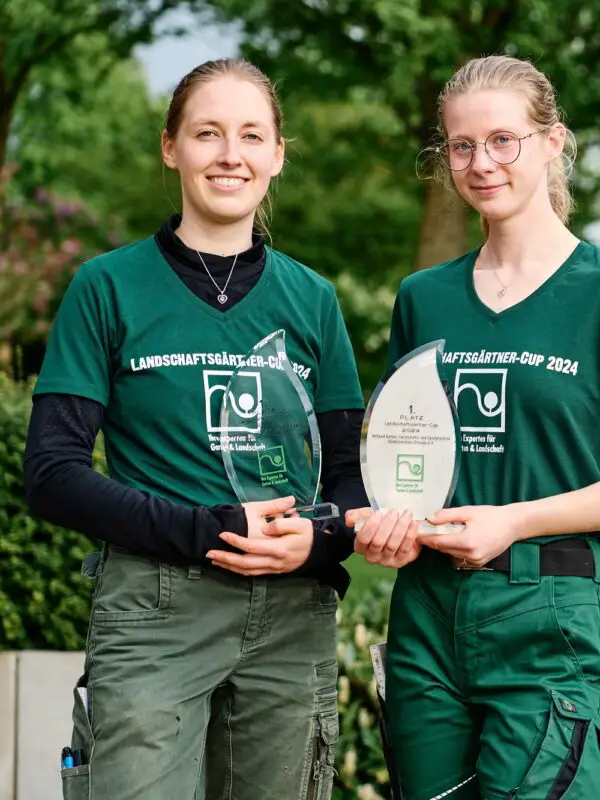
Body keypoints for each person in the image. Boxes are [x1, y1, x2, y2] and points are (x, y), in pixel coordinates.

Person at [353, 54, 600, 799]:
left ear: (552, 143)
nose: (482, 163)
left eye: (503, 140)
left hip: (547, 612)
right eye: (462, 145)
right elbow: (404, 458)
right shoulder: (422, 299)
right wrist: (390, 525)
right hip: (426, 615)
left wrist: (514, 520)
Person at [24, 58, 371, 800]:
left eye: (251, 135)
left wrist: (323, 535)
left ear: (277, 155)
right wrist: (204, 528)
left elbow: (351, 477)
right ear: (170, 147)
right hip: (155, 608)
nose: (230, 154)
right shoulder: (107, 287)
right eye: (207, 133)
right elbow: (52, 473)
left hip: (292, 611)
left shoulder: (313, 301)